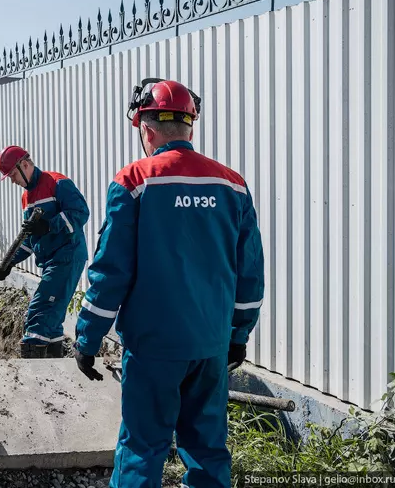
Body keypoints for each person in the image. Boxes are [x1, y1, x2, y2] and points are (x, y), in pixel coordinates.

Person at [73, 79, 265, 488]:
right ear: (190, 127)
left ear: (146, 129)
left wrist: (87, 339)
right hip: (211, 346)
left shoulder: (134, 181)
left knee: (143, 447)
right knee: (208, 448)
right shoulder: (232, 185)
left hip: (153, 349)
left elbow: (111, 272)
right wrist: (238, 335)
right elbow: (250, 272)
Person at [0, 145, 90, 359]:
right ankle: (55, 376)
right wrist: (9, 262)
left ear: (25, 165)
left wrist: (49, 225)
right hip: (51, 261)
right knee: (51, 324)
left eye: (12, 175)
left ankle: (32, 383)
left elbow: (80, 212)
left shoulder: (57, 183)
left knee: (38, 316)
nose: (12, 181)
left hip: (67, 256)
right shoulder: (26, 198)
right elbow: (30, 239)